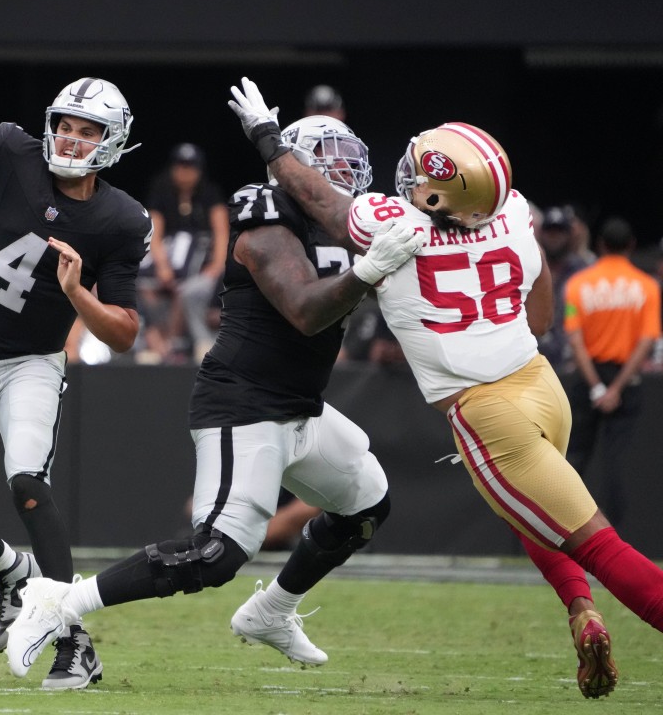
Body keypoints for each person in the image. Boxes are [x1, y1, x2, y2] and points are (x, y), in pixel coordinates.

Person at [228, 76, 663, 699]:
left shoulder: (391, 224)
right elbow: (539, 319)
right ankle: (577, 608)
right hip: (541, 387)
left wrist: (269, 139)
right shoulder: (514, 213)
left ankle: (587, 597)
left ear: (440, 191)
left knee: (596, 542)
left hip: (487, 410)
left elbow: (317, 198)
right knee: (538, 513)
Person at [5, 113, 421, 681]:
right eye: (326, 158)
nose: (342, 171)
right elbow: (304, 310)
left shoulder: (341, 223)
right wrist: (373, 267)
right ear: (292, 168)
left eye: (347, 158)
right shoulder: (265, 218)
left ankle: (272, 611)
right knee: (214, 555)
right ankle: (59, 604)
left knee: (367, 504)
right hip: (244, 407)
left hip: (301, 406)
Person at [0, 0, 152, 689]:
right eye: (67, 125)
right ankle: (9, 572)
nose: (72, 138)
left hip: (32, 363)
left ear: (111, 143)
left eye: (88, 130)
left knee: (26, 479)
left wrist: (78, 293)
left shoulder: (121, 220)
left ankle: (73, 642)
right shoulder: (15, 154)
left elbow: (129, 331)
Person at [562, 217, 661, 526]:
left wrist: (596, 387)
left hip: (588, 380)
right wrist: (616, 388)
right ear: (631, 246)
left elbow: (575, 340)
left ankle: (562, 531)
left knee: (574, 460)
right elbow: (647, 341)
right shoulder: (647, 287)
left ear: (600, 245)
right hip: (625, 381)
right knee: (617, 463)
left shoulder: (577, 284)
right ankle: (614, 539)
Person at [139, 142, 228, 362]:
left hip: (201, 269)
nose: (185, 173)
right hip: (168, 264)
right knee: (142, 288)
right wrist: (163, 267)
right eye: (180, 166)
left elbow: (222, 234)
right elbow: (154, 233)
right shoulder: (161, 191)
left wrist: (215, 267)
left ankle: (174, 344)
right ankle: (156, 344)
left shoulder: (211, 194)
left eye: (190, 167)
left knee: (187, 291)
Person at [536, 205, 591, 371]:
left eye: (559, 232)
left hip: (573, 356)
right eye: (549, 231)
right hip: (535, 355)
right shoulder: (530, 266)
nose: (554, 237)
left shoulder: (582, 270)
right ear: (541, 233)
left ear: (569, 235)